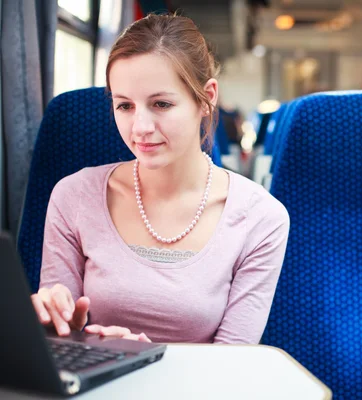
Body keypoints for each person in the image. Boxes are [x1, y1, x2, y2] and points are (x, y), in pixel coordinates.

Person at [29, 13, 290, 344]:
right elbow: (59, 337)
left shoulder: (261, 218)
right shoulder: (73, 196)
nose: (140, 128)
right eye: (124, 106)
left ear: (207, 98)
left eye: (161, 104)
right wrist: (52, 322)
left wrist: (147, 358)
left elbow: (233, 364)